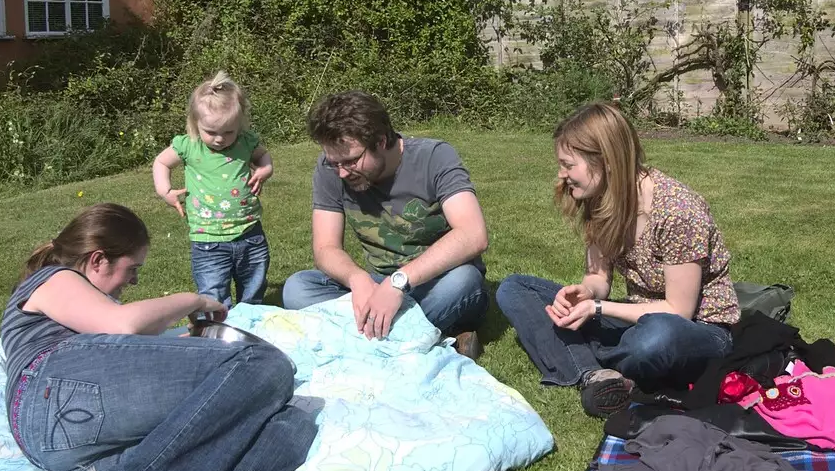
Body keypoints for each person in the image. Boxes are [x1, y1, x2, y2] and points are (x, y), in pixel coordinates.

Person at [1, 203, 315, 471]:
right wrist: (195, 298)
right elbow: (122, 326)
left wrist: (182, 344)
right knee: (267, 365)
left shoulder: (81, 303)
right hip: (49, 388)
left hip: (68, 445)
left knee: (281, 422)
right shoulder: (56, 278)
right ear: (98, 259)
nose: (132, 282)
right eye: (132, 269)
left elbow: (126, 346)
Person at [496, 101, 740, 417]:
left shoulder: (679, 211)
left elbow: (679, 311)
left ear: (606, 161)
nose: (561, 174)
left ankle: (582, 355)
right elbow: (598, 278)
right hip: (636, 316)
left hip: (696, 330)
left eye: (568, 165)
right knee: (514, 289)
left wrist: (597, 309)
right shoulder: (602, 198)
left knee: (655, 340)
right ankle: (597, 375)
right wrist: (585, 293)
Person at [281, 90, 489, 356]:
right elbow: (325, 248)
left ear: (381, 141)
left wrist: (398, 283)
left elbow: (473, 234)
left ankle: (364, 336)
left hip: (435, 283)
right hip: (375, 283)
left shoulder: (435, 157)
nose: (342, 172)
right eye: (335, 163)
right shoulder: (329, 168)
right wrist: (357, 280)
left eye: (351, 161)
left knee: (464, 280)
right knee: (297, 288)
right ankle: (418, 335)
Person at [151, 71, 274, 306]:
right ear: (195, 124)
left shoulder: (245, 142)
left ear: (239, 125)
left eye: (228, 132)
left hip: (250, 233)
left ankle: (252, 325)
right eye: (211, 132)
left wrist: (265, 170)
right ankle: (217, 330)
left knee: (254, 289)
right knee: (213, 295)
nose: (220, 139)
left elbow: (263, 156)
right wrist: (165, 191)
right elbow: (161, 162)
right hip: (208, 240)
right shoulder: (190, 145)